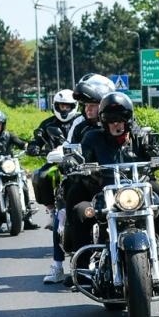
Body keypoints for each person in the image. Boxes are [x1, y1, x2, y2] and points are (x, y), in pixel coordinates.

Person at [64, 91, 159, 258]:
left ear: (128, 119)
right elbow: (81, 155)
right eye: (111, 120)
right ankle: (81, 268)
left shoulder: (141, 136)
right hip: (102, 193)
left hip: (138, 192)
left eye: (120, 119)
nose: (116, 124)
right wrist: (72, 161)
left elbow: (158, 149)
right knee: (80, 210)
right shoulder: (92, 138)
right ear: (103, 121)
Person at [43, 74, 115, 283]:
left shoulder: (120, 119)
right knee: (65, 213)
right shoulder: (80, 124)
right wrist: (67, 159)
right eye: (86, 105)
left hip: (117, 182)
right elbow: (69, 148)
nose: (88, 109)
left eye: (93, 105)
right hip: (85, 181)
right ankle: (65, 265)